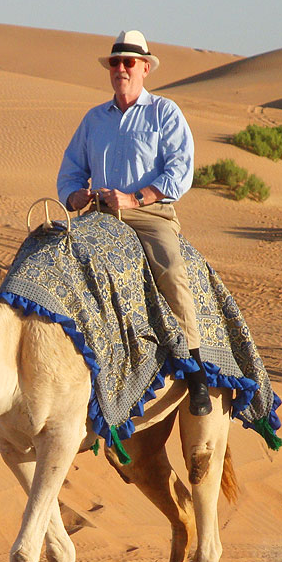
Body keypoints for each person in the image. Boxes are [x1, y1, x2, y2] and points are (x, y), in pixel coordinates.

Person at [56, 29, 212, 415]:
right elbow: (72, 170)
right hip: (99, 213)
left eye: (129, 62)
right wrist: (74, 195)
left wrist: (137, 197)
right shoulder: (94, 119)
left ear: (145, 68)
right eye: (115, 62)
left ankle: (195, 371)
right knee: (52, 258)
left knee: (173, 271)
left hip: (149, 213)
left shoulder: (164, 112)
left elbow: (181, 170)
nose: (121, 69)